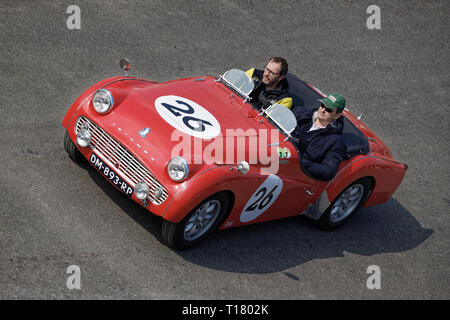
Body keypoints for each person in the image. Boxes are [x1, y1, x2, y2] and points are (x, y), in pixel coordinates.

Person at [292, 93, 347, 181]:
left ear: (337, 115)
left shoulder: (336, 141)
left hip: (295, 172)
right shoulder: (300, 112)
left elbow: (329, 171)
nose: (322, 110)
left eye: (328, 109)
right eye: (322, 105)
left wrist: (302, 163)